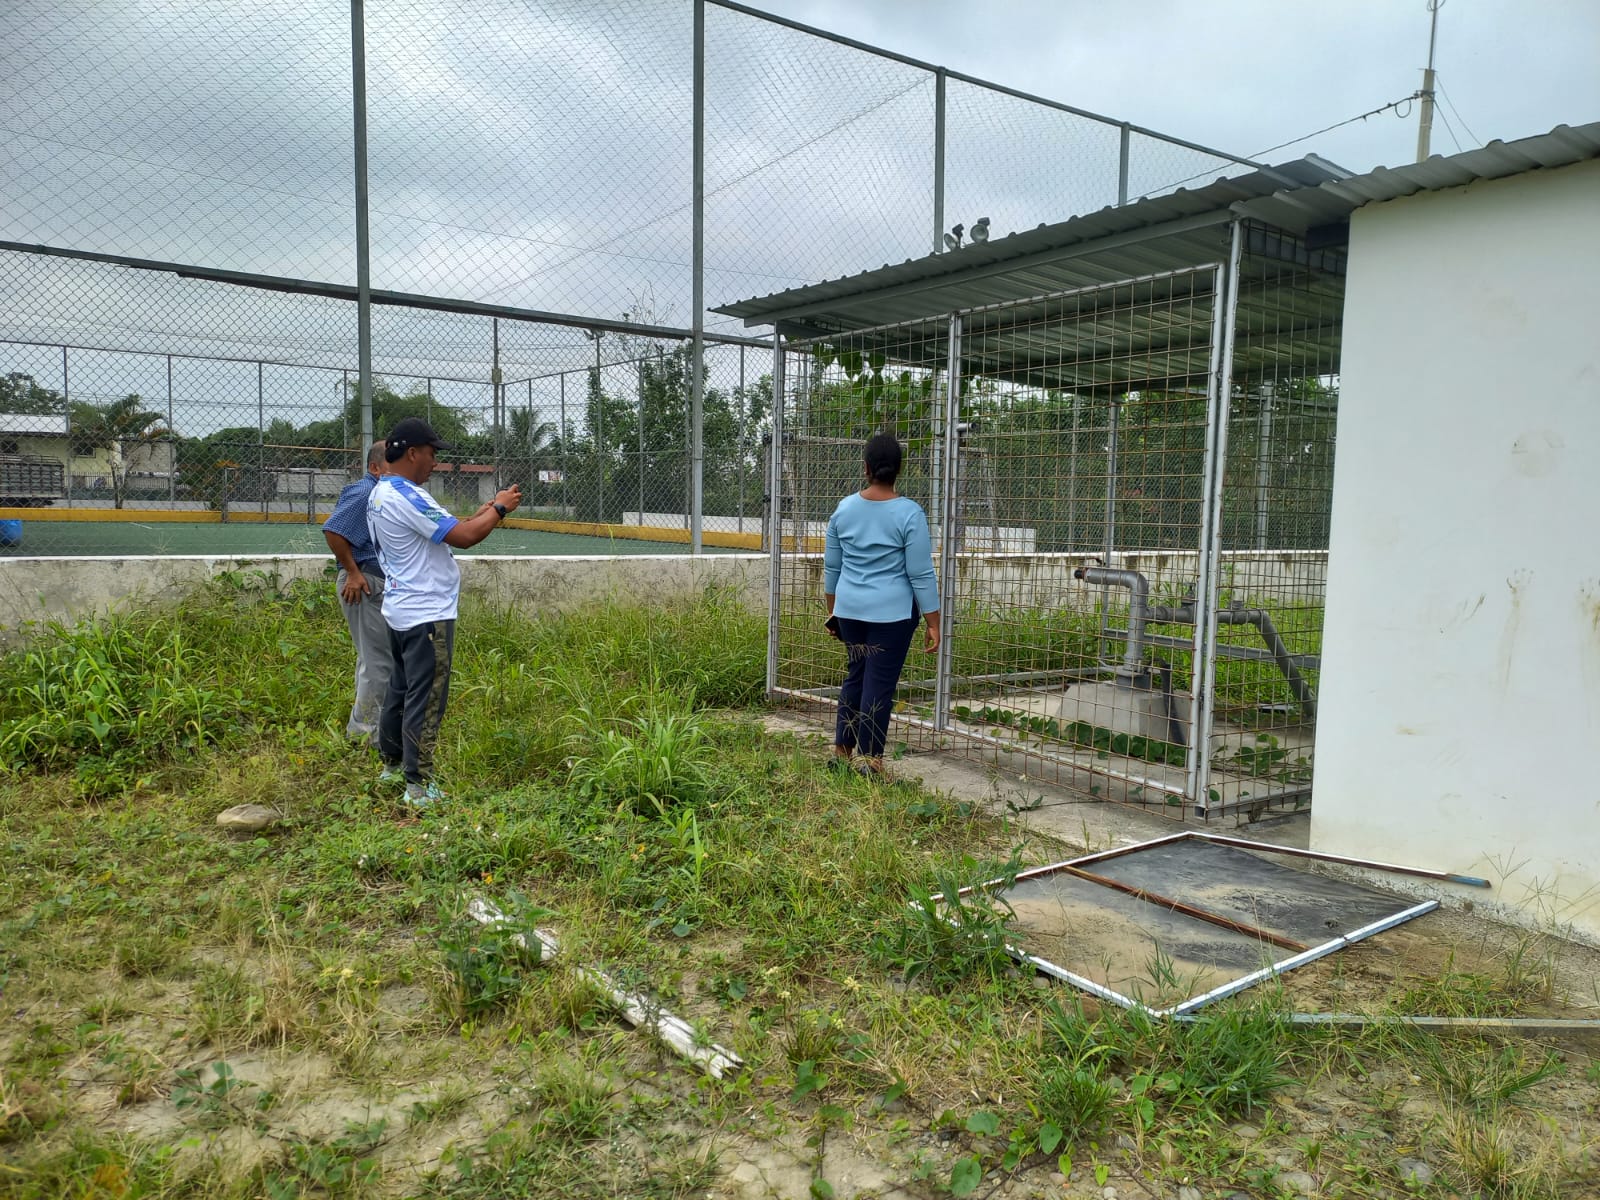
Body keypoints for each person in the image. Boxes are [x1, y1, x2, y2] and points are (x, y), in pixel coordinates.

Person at [367, 417, 523, 807]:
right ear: (412, 453)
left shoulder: (382, 492)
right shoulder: (408, 496)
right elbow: (465, 538)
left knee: (400, 691)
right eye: (431, 454)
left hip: (401, 609)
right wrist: (500, 509)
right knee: (426, 698)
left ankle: (391, 766)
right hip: (427, 614)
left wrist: (485, 512)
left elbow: (447, 530)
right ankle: (418, 786)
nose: (435, 462)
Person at [823, 431, 942, 778]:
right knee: (879, 683)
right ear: (898, 470)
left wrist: (833, 611)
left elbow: (832, 568)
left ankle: (842, 753)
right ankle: (869, 761)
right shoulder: (910, 514)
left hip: (850, 612)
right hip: (892, 616)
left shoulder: (844, 509)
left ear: (866, 468)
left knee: (856, 676)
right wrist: (934, 622)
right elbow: (920, 573)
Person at [322, 442, 391, 748]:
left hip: (372, 581)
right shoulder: (365, 492)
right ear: (375, 467)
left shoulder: (383, 493)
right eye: (392, 463)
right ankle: (365, 736)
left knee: (375, 658)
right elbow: (334, 530)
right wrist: (352, 571)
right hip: (364, 581)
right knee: (377, 662)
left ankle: (372, 727)